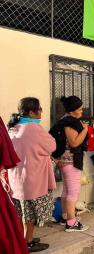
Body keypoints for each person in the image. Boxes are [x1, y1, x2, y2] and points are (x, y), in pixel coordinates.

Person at [1, 106, 38, 253]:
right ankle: (28, 240)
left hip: (13, 180)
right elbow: (51, 145)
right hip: (28, 179)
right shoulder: (33, 129)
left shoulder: (12, 129)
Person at [55, 96, 89, 232]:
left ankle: (65, 216)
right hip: (71, 161)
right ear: (72, 110)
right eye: (80, 109)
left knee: (66, 190)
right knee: (73, 193)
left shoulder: (64, 120)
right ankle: (71, 222)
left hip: (64, 160)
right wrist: (85, 130)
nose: (82, 111)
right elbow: (74, 142)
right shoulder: (69, 123)